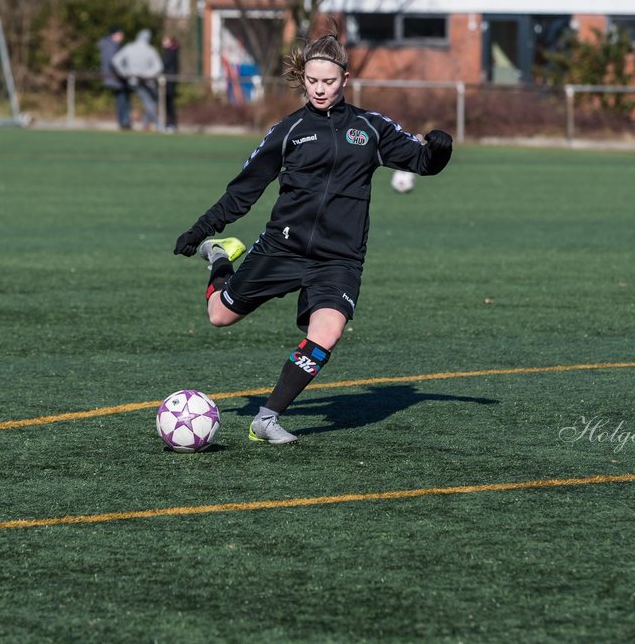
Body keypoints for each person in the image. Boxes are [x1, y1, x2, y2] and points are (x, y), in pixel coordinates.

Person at [173, 32, 453, 443]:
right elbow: (243, 191)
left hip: (339, 259)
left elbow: (422, 160)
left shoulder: (370, 129)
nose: (320, 89)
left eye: (329, 81)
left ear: (345, 79)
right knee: (220, 316)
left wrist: (440, 151)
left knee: (328, 331)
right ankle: (218, 257)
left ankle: (267, 418)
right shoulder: (288, 131)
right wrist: (203, 229)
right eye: (312, 81)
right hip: (282, 248)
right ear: (302, 79)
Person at [112, 29, 161, 130]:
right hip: (144, 81)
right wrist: (146, 74)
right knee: (149, 102)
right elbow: (158, 67)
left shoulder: (130, 48)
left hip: (133, 80)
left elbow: (116, 61)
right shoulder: (150, 50)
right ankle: (158, 124)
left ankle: (146, 123)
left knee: (151, 102)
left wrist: (125, 73)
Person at [97, 27, 134, 129]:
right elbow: (113, 63)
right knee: (122, 100)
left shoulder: (112, 45)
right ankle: (124, 122)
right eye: (120, 35)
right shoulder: (110, 46)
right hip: (116, 78)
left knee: (123, 99)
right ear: (114, 35)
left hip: (117, 77)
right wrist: (123, 73)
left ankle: (125, 121)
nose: (122, 37)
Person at [160, 35, 180, 132]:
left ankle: (171, 124)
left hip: (169, 82)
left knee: (169, 104)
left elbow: (164, 65)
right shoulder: (171, 51)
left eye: (165, 40)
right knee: (168, 103)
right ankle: (170, 124)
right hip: (169, 81)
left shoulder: (170, 52)